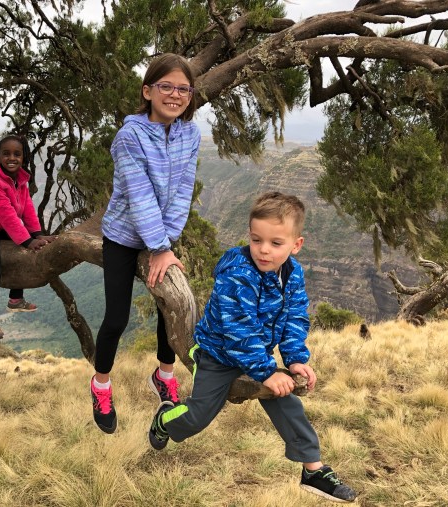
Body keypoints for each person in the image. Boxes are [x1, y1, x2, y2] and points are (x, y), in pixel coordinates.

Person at [148, 192, 357, 503]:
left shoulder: (292, 273)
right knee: (198, 416)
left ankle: (313, 469)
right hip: (219, 355)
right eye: (256, 240)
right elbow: (238, 330)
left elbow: (295, 316)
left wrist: (295, 359)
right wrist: (267, 371)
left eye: (276, 243)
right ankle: (165, 419)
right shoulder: (238, 273)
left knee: (285, 399)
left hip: (257, 353)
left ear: (296, 244)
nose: (264, 249)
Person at [90, 53, 201, 434]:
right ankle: (101, 384)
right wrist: (158, 247)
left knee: (171, 309)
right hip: (123, 237)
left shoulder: (191, 134)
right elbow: (139, 197)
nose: (175, 94)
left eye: (183, 89)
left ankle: (164, 375)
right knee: (116, 318)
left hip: (162, 238)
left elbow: (184, 189)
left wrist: (165, 244)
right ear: (148, 91)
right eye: (166, 86)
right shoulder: (130, 137)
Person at [0, 134, 56, 339]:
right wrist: (27, 241)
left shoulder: (21, 180)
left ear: (23, 158)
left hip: (3, 229)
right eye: (6, 154)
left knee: (22, 256)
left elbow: (27, 209)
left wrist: (37, 235)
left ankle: (15, 300)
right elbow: (7, 216)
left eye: (17, 154)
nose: (12, 158)